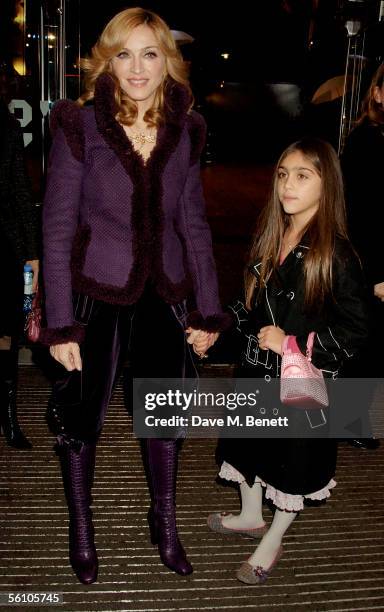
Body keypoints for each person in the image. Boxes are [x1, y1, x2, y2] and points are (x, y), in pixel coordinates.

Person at [39, 7, 227, 584]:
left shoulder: (187, 127)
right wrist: (61, 324)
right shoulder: (80, 124)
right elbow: (58, 226)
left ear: (167, 61)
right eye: (125, 53)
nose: (137, 67)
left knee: (165, 416)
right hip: (95, 290)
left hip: (164, 292)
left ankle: (164, 525)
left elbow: (193, 222)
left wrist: (208, 309)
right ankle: (82, 528)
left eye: (150, 53)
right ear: (108, 60)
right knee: (82, 417)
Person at [198, 138, 369, 584]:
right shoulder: (271, 236)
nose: (287, 185)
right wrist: (214, 327)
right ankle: (251, 514)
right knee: (247, 447)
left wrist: (292, 343)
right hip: (257, 374)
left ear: (326, 184)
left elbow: (355, 332)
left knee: (291, 465)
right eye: (282, 174)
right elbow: (248, 306)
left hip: (301, 383)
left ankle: (272, 539)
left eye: (302, 176)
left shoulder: (337, 254)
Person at [341, 63, 384, 450]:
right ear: (378, 94)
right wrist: (377, 275)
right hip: (369, 263)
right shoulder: (366, 142)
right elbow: (362, 215)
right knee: (367, 345)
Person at [0, 63, 39, 449]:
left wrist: (32, 256)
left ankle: (7, 414)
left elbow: (21, 194)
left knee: (7, 336)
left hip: (3, 248)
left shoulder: (7, 128)